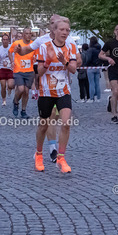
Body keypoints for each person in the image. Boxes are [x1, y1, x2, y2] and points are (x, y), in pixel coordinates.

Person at [16, 14, 80, 163]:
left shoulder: (70, 42)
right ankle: (50, 148)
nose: (63, 31)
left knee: (61, 120)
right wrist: (19, 51)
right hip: (46, 88)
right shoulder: (42, 41)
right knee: (48, 119)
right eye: (52, 23)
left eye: (66, 29)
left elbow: (78, 61)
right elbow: (26, 50)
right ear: (52, 27)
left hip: (63, 87)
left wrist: (68, 62)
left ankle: (58, 154)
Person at [34, 17, 77, 173]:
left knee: (66, 123)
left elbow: (73, 69)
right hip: (46, 92)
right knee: (43, 126)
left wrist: (64, 61)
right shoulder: (44, 47)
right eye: (62, 29)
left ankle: (61, 158)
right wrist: (48, 62)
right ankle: (39, 154)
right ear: (54, 31)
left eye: (67, 30)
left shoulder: (71, 47)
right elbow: (39, 72)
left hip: (63, 91)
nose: (65, 32)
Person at [99, 24, 118, 123]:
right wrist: (108, 58)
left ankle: (111, 99)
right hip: (113, 69)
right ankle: (114, 115)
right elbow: (100, 55)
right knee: (115, 91)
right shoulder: (110, 42)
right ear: (115, 31)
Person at [9, 27, 36, 118]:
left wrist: (35, 58)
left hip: (29, 71)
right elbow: (10, 52)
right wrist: (12, 61)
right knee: (21, 89)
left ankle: (23, 111)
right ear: (23, 35)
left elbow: (37, 54)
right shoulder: (17, 43)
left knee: (26, 92)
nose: (28, 35)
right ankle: (15, 102)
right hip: (18, 70)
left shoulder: (33, 44)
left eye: (30, 33)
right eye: (26, 33)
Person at [0, 33, 15, 106]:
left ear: (8, 41)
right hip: (2, 69)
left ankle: (9, 88)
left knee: (11, 85)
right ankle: (4, 100)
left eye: (6, 39)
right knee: (3, 86)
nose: (5, 41)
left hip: (10, 69)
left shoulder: (12, 47)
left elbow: (16, 56)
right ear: (1, 40)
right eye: (4, 40)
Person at [84, 36, 102, 103]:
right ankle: (98, 98)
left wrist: (86, 64)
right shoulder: (99, 49)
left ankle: (91, 98)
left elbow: (88, 58)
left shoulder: (90, 49)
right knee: (97, 83)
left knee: (91, 83)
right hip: (97, 67)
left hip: (90, 67)